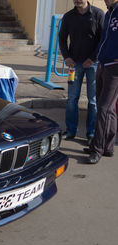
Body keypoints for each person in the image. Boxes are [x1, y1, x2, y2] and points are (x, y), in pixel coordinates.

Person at [59, 0, 105, 145]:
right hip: (74, 64)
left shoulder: (98, 14)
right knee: (72, 98)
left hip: (93, 64)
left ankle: (91, 133)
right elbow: (62, 37)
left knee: (93, 101)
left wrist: (92, 59)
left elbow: (103, 39)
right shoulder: (68, 16)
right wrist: (66, 57)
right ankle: (71, 131)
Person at [86, 0, 118, 164]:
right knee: (108, 109)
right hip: (103, 63)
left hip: (115, 66)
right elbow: (104, 38)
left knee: (104, 109)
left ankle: (96, 149)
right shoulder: (109, 13)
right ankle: (108, 147)